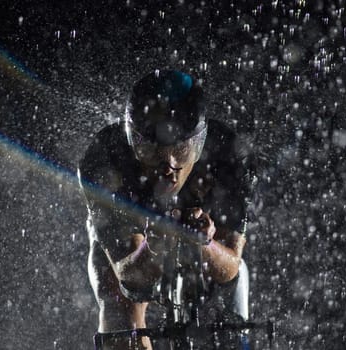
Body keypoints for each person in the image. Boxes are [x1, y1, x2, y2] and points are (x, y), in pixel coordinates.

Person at [78, 70, 255, 349]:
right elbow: (129, 277)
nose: (168, 170)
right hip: (132, 234)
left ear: (199, 146)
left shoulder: (229, 155)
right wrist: (155, 248)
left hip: (196, 232)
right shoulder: (104, 160)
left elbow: (230, 267)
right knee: (120, 312)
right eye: (151, 153)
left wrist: (205, 243)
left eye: (182, 153)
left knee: (231, 312)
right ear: (133, 144)